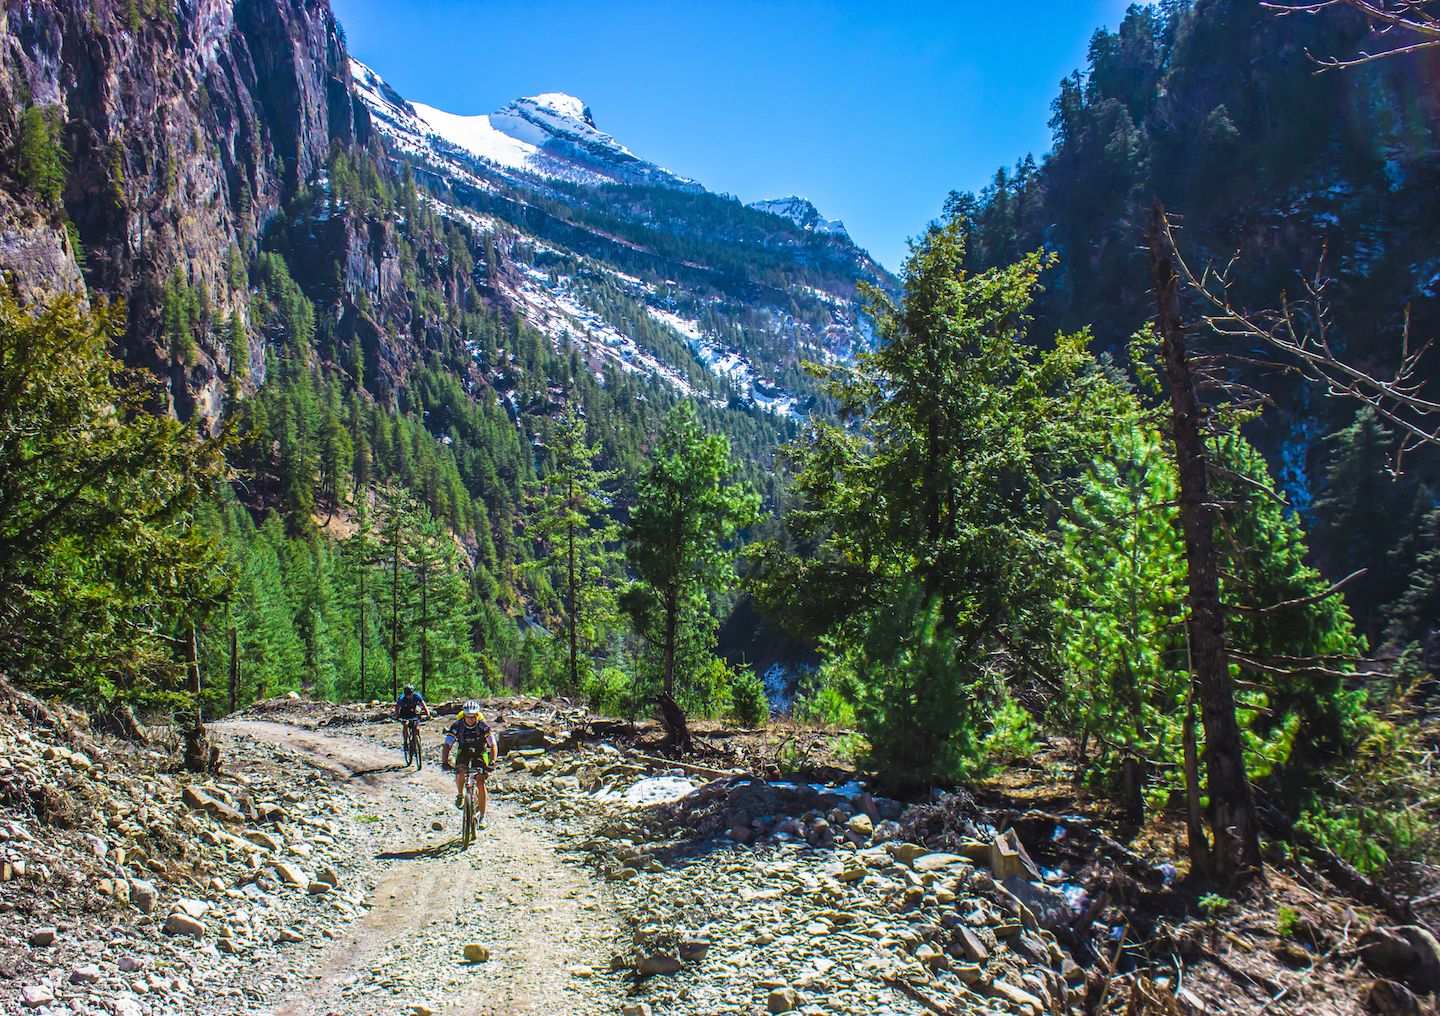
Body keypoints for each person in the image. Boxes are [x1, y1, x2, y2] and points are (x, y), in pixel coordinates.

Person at [441, 700, 498, 819]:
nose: (470, 719)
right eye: (468, 717)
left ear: (477, 715)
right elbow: (447, 744)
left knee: (481, 781)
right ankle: (460, 795)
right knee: (460, 771)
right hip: (464, 751)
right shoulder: (457, 726)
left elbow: (493, 745)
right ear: (464, 715)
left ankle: (482, 816)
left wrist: (492, 762)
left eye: (473, 717)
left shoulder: (483, 727)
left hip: (479, 752)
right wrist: (445, 762)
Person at [394, 683, 430, 749]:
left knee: (416, 728)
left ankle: (418, 743)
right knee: (405, 725)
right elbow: (397, 708)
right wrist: (397, 716)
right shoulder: (402, 698)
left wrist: (428, 714)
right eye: (407, 694)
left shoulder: (416, 696)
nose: (409, 695)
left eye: (410, 693)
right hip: (404, 713)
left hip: (414, 713)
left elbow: (424, 705)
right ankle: (405, 743)